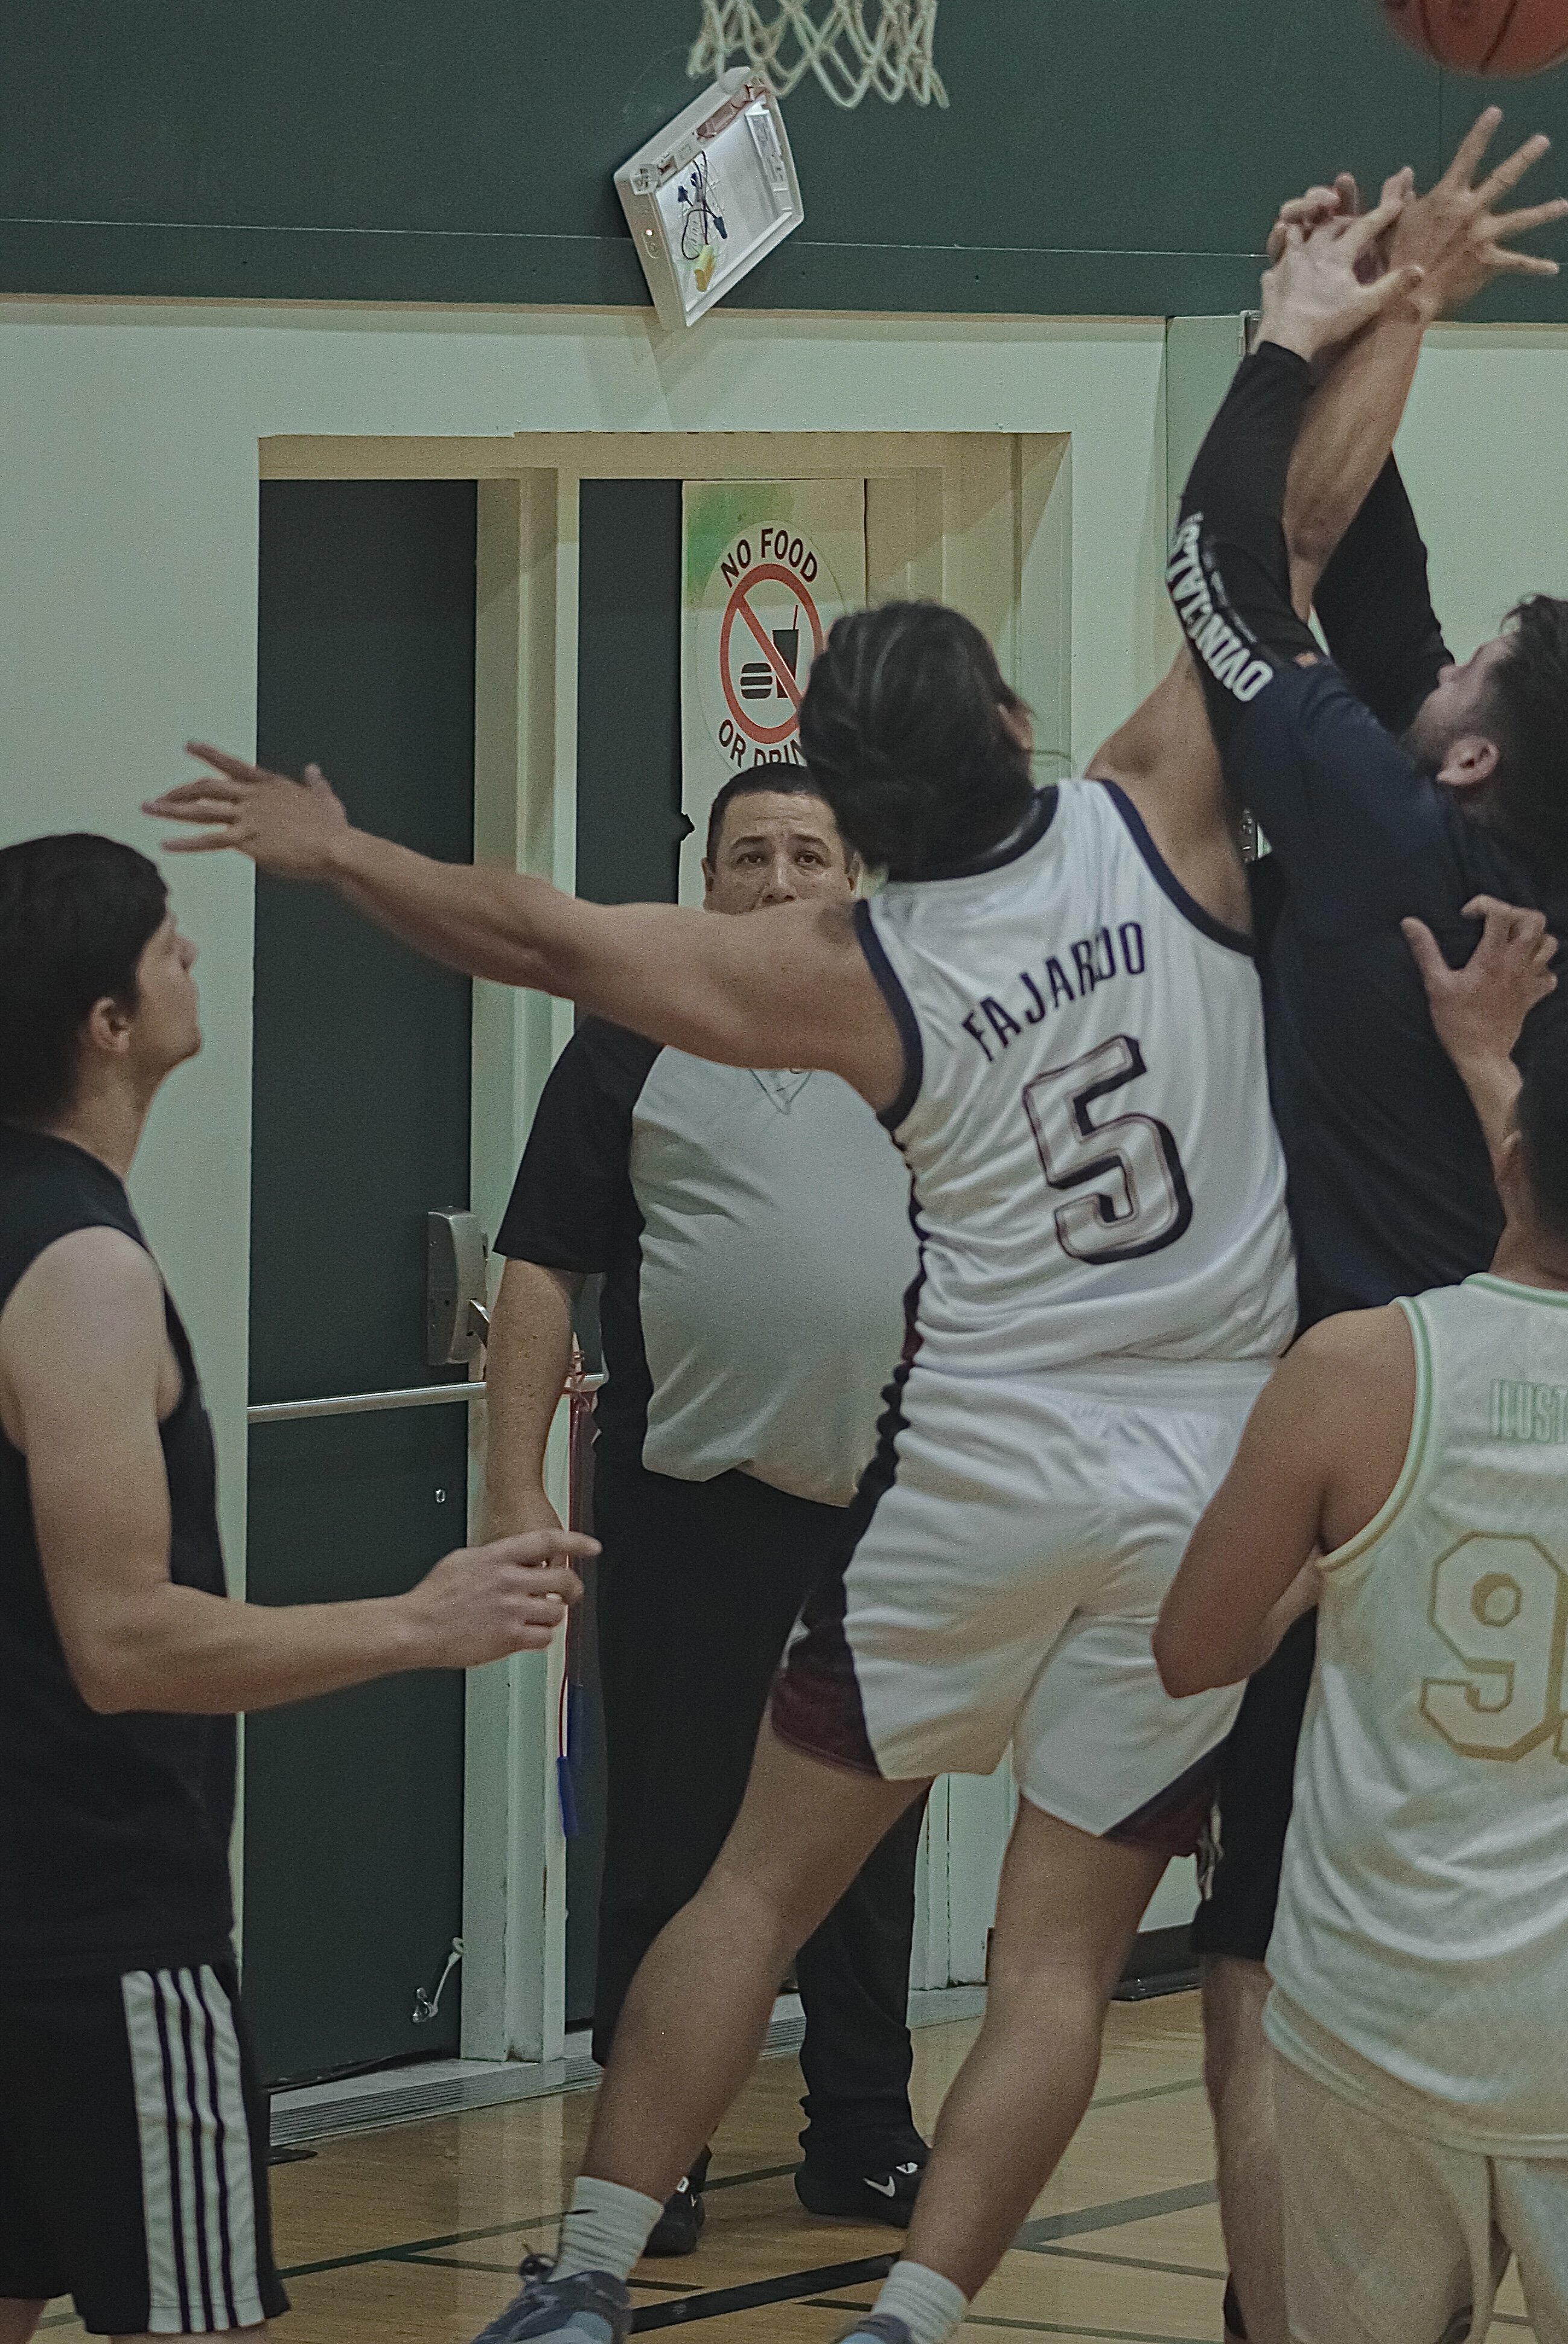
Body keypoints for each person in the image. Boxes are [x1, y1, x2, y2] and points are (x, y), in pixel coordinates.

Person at [141, 187, 1432, 2344]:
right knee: (1049, 1958)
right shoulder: (1154, 803)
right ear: (1015, 717)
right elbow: (1288, 544)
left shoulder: (849, 968)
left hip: (973, 1491)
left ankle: (578, 2278)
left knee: (758, 1874)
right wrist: (1369, 318)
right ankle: (914, 2317)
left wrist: (337, 845)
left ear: (846, 800)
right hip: (1208, 1494)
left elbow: (545, 934)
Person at [1162, 132, 1568, 2339]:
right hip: (1506, 1434)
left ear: (1468, 767)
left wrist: (1278, 352)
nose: (1435, 673)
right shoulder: (1558, 880)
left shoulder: (1388, 835)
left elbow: (1222, 583)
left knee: (1264, 1961)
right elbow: (1373, 614)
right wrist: (1390, 308)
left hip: (1369, 1433)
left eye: (1466, 682)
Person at [1155, 939, 1568, 2344]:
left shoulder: (1355, 1371)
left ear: (1513, 1165)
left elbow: (1194, 1653)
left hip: (1388, 2013)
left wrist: (1329, 1578)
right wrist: (1507, 1080)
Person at [0, 834, 590, 2344]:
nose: (196, 957)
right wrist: (421, 1620)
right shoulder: (79, 1267)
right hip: (101, 1926)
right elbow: (122, 1640)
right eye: (168, 943)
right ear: (106, 1020)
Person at [480, 762, 928, 2251]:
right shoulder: (632, 1034)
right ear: (708, 879)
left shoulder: (924, 1033)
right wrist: (510, 1484)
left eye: (810, 851)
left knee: (865, 1845)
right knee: (671, 1838)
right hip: (692, 1506)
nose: (780, 877)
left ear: (851, 874)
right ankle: (651, 2155)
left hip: (896, 1513)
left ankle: (861, 2137)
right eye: (750, 855)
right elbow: (544, 1265)